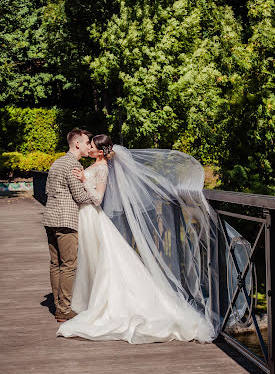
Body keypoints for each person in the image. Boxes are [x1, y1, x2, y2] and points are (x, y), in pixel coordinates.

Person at [56, 134, 219, 343]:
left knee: (103, 261)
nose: (89, 148)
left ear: (100, 151)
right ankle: (88, 299)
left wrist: (83, 181)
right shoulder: (97, 165)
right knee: (91, 259)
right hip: (86, 218)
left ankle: (106, 304)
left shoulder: (103, 168)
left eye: (92, 146)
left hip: (92, 216)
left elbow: (97, 199)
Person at [42, 129, 96, 323]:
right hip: (66, 220)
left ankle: (58, 305)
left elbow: (47, 189)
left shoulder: (57, 162)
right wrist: (98, 198)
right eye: (87, 142)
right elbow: (80, 196)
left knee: (55, 264)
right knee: (69, 265)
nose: (89, 145)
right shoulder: (73, 165)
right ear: (77, 144)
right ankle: (64, 310)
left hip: (50, 218)